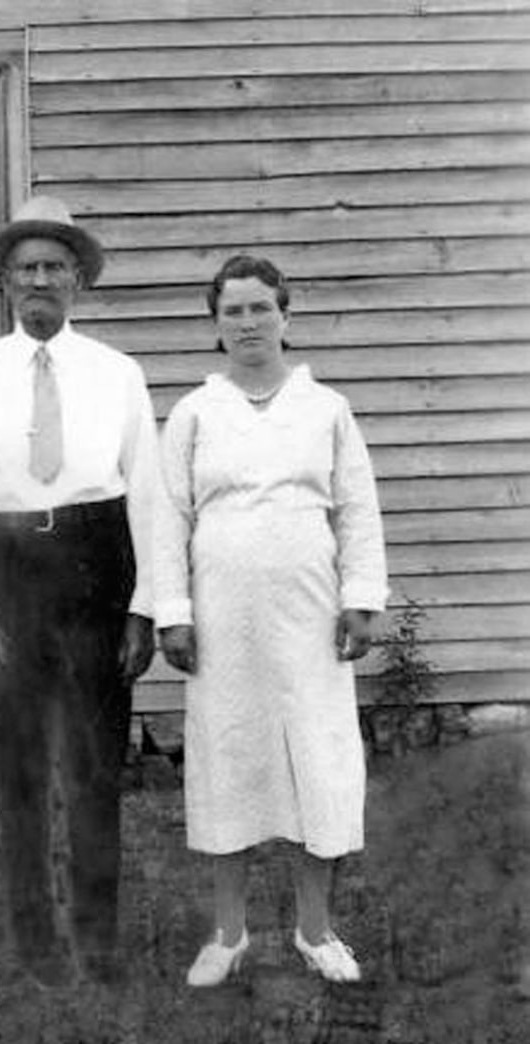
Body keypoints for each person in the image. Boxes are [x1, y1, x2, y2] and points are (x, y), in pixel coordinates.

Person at [0, 195, 158, 987]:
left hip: (100, 565)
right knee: (20, 766)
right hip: (9, 572)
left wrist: (145, 606)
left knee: (97, 767)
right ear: (4, 284)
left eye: (55, 268)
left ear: (78, 283)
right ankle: (34, 941)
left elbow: (150, 499)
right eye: (25, 268)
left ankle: (97, 941)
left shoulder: (119, 376)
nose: (40, 281)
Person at [154, 254, 388, 987]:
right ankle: (229, 933)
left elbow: (356, 509)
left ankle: (315, 930)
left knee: (317, 759)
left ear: (286, 314)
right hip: (223, 619)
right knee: (230, 759)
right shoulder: (195, 413)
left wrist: (361, 596)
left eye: (261, 308)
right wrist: (174, 613)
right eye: (233, 311)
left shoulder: (327, 409)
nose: (248, 323)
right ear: (215, 325)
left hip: (310, 617)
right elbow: (166, 519)